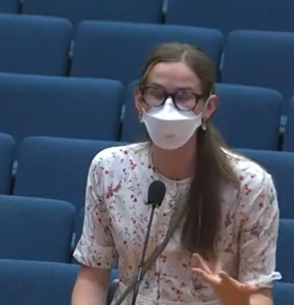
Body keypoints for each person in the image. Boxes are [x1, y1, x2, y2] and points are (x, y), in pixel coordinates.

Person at [71, 42, 281, 305]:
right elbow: (92, 275)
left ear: (209, 107)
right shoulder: (109, 168)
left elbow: (259, 295)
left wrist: (239, 301)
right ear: (139, 100)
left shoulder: (250, 185)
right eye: (156, 94)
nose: (168, 108)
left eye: (184, 97)